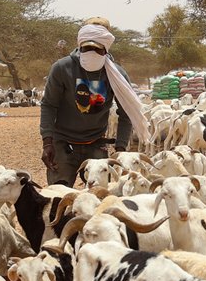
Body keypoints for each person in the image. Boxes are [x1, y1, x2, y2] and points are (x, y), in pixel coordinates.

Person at [40, 20, 145, 186]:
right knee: (59, 194)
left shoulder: (116, 74)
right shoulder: (62, 68)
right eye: (86, 48)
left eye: (97, 49)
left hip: (96, 142)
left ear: (105, 48)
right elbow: (49, 105)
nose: (91, 53)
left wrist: (121, 149)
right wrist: (47, 142)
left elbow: (127, 112)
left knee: (99, 195)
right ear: (80, 45)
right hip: (63, 143)